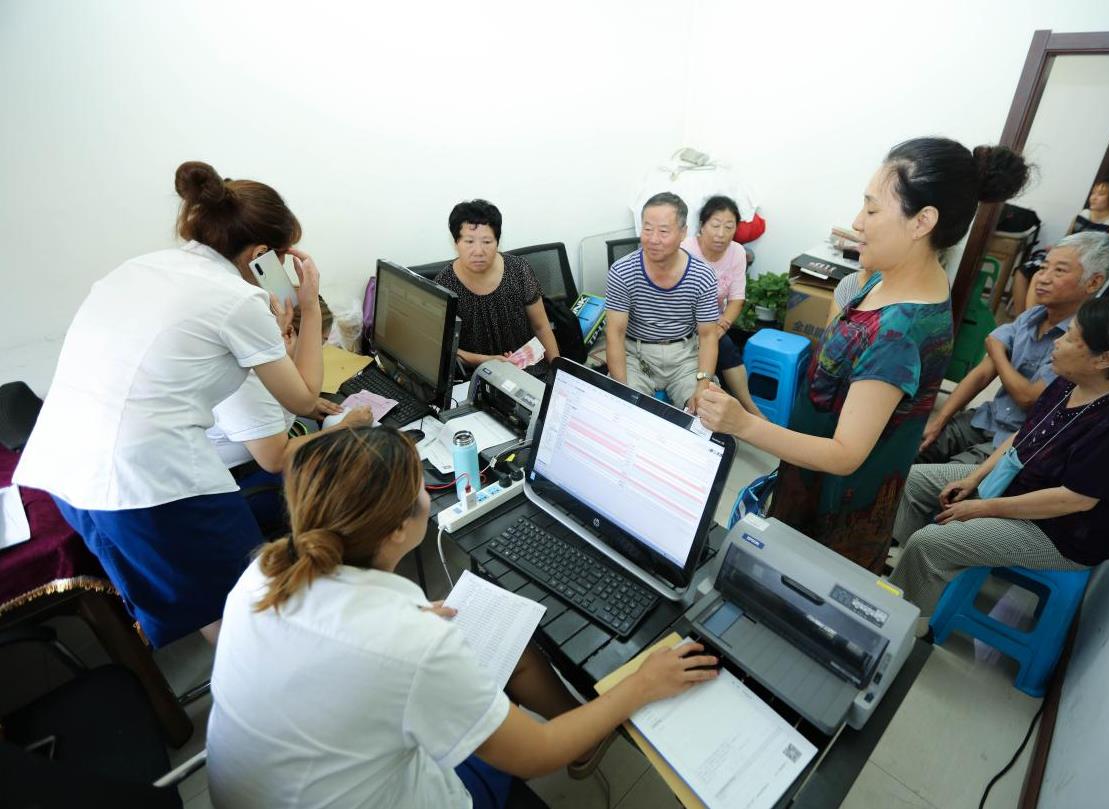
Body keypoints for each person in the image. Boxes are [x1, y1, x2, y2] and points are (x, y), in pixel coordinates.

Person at [207, 426, 717, 808]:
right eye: (420, 487)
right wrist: (640, 685)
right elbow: (538, 752)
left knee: (512, 649)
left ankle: (586, 737)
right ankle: (591, 730)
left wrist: (405, 619)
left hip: (274, 786)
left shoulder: (266, 571)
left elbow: (339, 639)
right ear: (397, 530)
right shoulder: (410, 644)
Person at [14, 161, 327, 647]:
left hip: (68, 469)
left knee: (206, 596)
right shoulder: (237, 299)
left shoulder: (140, 268)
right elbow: (304, 398)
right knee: (247, 599)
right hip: (149, 484)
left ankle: (244, 669)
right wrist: (308, 304)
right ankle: (266, 675)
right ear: (262, 254)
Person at [698, 138, 1030, 571]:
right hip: (808, 477)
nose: (857, 222)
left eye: (872, 211)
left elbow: (844, 454)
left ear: (922, 222)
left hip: (836, 509)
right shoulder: (889, 280)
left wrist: (742, 423)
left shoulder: (900, 334)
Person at [889, 297, 1109, 624]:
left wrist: (983, 508)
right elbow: (1025, 433)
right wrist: (975, 478)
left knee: (930, 543)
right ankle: (909, 575)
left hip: (1057, 531)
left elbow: (1075, 500)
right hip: (1021, 480)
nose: (1058, 342)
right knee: (911, 481)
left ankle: (907, 625)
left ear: (1105, 359)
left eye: (1071, 338)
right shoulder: (1073, 377)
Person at [918, 231, 1109, 465]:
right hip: (984, 419)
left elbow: (1028, 398)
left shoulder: (1082, 341)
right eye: (1043, 267)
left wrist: (997, 353)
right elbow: (982, 374)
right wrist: (939, 421)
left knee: (928, 480)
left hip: (1015, 446)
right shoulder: (1031, 317)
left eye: (1059, 271)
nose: (1043, 278)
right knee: (909, 452)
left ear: (1093, 282)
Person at [207, 297, 374, 535]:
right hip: (240, 483)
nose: (320, 353)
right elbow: (276, 459)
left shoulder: (264, 359)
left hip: (250, 461)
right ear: (289, 334)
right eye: (320, 343)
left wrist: (302, 402)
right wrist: (345, 426)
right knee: (347, 476)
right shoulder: (247, 385)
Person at [606, 192, 721, 410]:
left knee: (706, 412)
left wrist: (702, 385)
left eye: (664, 231)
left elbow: (707, 336)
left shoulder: (702, 275)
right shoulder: (622, 272)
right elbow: (615, 333)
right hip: (636, 356)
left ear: (683, 232)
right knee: (622, 412)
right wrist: (621, 389)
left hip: (684, 357)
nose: (653, 239)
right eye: (647, 229)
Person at [435, 199, 560, 375]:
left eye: (487, 242)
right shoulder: (445, 284)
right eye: (469, 242)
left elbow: (541, 327)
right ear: (456, 243)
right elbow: (445, 348)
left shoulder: (518, 270)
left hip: (529, 370)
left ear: (497, 242)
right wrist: (488, 361)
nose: (478, 251)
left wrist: (558, 371)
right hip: (477, 374)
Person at [681, 195, 766, 417]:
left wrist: (722, 325)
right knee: (724, 347)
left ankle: (747, 407)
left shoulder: (737, 252)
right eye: (715, 225)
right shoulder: (686, 249)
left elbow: (736, 298)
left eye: (729, 227)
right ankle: (747, 409)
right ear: (702, 225)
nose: (721, 234)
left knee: (724, 343)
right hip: (682, 322)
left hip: (714, 323)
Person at [1012, 175, 1109, 314]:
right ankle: (1022, 319)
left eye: (1101, 194)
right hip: (1066, 258)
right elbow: (1067, 239)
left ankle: (1033, 319)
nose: (1094, 198)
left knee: (1048, 278)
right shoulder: (1083, 214)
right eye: (1093, 193)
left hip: (1088, 265)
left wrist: (1070, 260)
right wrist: (1056, 248)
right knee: (1023, 271)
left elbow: (1105, 256)